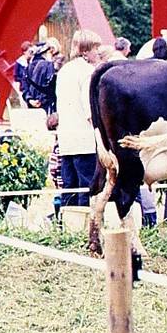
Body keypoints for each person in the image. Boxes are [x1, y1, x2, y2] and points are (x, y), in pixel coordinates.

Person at [55, 29, 102, 211]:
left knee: (69, 186)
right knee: (87, 186)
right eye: (95, 48)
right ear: (85, 50)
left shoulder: (64, 70)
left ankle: (68, 226)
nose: (98, 52)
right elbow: (89, 108)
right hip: (85, 139)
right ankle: (85, 228)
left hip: (66, 138)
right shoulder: (89, 72)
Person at [23, 42, 57, 114]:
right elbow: (49, 85)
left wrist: (30, 100)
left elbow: (25, 88)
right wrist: (41, 99)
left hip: (32, 106)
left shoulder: (28, 67)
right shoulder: (48, 65)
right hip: (46, 107)